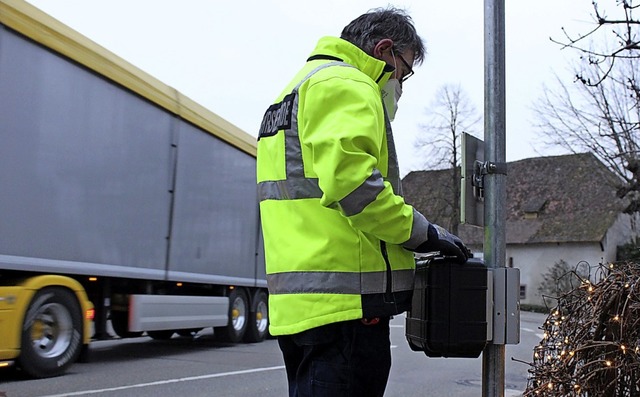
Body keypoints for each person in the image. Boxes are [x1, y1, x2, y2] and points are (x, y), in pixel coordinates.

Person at [256, 6, 470, 397]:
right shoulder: (346, 83)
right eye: (402, 73)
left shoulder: (291, 92)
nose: (400, 85)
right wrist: (424, 233)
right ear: (385, 50)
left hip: (303, 308)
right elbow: (355, 186)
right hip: (346, 309)